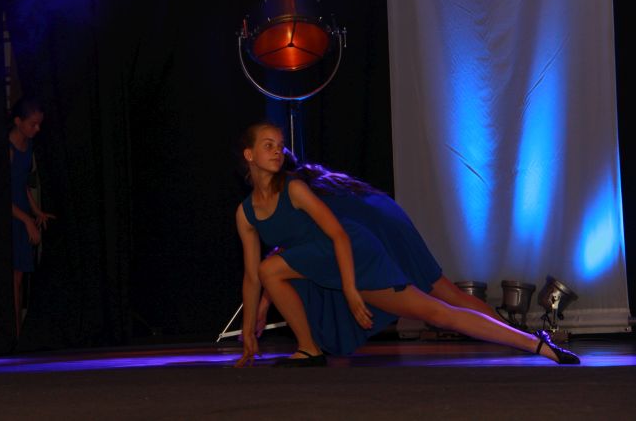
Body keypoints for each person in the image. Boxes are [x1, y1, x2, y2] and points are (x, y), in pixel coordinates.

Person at [234, 122, 578, 367]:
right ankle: (309, 349)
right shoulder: (260, 206)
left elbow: (331, 237)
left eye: (279, 146)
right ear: (249, 155)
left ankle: (532, 343)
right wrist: (254, 319)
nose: (277, 152)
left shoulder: (299, 189)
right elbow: (274, 262)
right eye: (269, 146)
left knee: (440, 309)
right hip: (364, 239)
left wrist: (350, 290)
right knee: (445, 302)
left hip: (370, 243)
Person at [251, 151, 504, 337]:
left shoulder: (295, 191)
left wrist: (262, 307)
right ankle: (510, 332)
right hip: (390, 221)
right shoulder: (318, 181)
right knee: (448, 293)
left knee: (442, 299)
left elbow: (283, 252)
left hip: (381, 232)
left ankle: (509, 334)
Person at [9, 96, 56, 338]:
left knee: (19, 277)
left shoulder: (27, 146)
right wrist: (27, 220)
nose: (37, 129)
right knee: (14, 279)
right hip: (11, 216)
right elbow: (1, 194)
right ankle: (15, 333)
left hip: (21, 212)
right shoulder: (8, 148)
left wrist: (36, 212)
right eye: (33, 124)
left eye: (39, 124)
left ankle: (18, 331)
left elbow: (22, 185)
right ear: (18, 121)